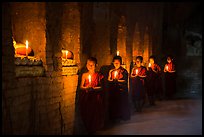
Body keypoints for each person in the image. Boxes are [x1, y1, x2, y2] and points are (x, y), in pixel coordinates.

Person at [78, 57, 105, 134]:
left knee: (95, 113)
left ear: (96, 65)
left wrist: (93, 89)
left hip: (95, 97)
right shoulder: (84, 75)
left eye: (92, 65)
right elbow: (81, 87)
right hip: (86, 97)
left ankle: (94, 128)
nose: (90, 66)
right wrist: (87, 88)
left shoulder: (99, 75)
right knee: (87, 112)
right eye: (88, 65)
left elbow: (101, 87)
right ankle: (88, 128)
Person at [107, 55, 130, 123]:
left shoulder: (124, 71)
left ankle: (122, 117)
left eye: (118, 63)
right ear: (113, 63)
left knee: (121, 104)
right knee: (114, 104)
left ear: (120, 63)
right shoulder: (111, 71)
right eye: (115, 63)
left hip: (121, 90)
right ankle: (114, 117)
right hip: (113, 89)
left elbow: (125, 81)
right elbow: (109, 79)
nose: (116, 64)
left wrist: (117, 81)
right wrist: (113, 80)